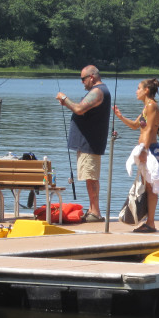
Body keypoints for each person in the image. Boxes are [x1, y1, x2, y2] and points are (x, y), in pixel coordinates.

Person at [56, 65, 111, 223]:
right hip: (88, 142)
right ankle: (93, 210)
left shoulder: (98, 91)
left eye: (83, 79)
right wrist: (67, 104)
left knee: (91, 176)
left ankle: (95, 212)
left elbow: (79, 109)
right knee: (89, 176)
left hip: (90, 142)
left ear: (91, 77)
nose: (82, 83)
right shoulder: (97, 91)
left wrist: (64, 99)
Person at [113, 78, 159, 233]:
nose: (136, 91)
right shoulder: (146, 107)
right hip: (145, 148)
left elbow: (149, 130)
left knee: (151, 187)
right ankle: (148, 221)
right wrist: (120, 116)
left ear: (146, 90)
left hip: (151, 149)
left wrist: (144, 149)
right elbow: (136, 126)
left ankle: (151, 223)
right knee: (146, 185)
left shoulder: (152, 106)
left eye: (138, 88)